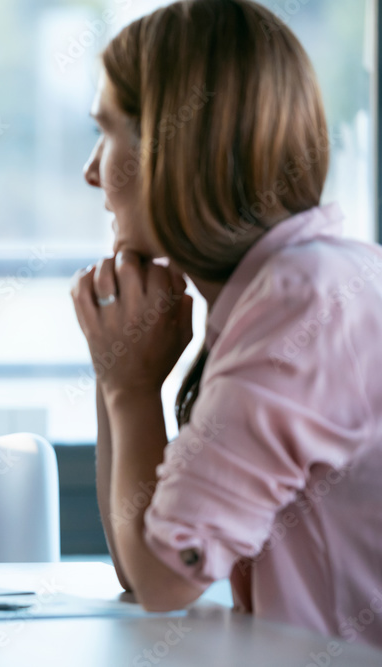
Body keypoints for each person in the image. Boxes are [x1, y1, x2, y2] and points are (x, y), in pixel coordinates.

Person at [71, 0, 382, 647]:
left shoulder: (298, 306)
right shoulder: (306, 282)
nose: (92, 170)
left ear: (178, 145)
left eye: (109, 132)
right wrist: (119, 375)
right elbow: (145, 563)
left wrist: (130, 388)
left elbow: (162, 578)